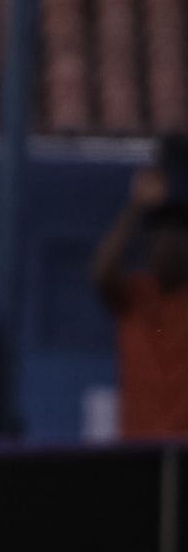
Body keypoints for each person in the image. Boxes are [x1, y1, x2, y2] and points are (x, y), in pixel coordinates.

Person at [91, 165, 188, 438]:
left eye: (177, 238)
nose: (167, 246)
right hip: (138, 444)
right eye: (160, 237)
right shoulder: (136, 293)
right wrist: (136, 208)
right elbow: (102, 272)